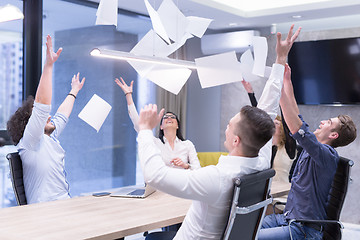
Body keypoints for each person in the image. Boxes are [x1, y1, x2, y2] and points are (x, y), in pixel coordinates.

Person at [136, 25, 301, 239]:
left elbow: (155, 175)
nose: (226, 127)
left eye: (229, 124)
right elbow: (268, 110)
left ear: (235, 140)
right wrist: (280, 60)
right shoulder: (260, 160)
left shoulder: (216, 178)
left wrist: (144, 130)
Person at [258, 64, 357, 239]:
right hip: (286, 219)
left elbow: (297, 127)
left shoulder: (327, 155)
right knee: (242, 226)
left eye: (328, 122)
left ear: (333, 134)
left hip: (303, 230)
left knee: (250, 236)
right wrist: (287, 81)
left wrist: (278, 86)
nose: (322, 122)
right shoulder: (312, 148)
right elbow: (296, 116)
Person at [6, 35, 85, 204]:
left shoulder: (49, 138)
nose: (49, 117)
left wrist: (74, 91)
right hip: (45, 213)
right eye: (41, 118)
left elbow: (62, 115)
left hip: (64, 204)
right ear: (31, 124)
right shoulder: (30, 141)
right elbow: (42, 107)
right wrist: (48, 66)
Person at [115, 78, 201, 170]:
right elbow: (139, 125)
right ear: (161, 126)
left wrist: (185, 165)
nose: (169, 118)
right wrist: (128, 95)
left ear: (177, 125)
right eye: (165, 117)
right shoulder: (155, 142)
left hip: (182, 183)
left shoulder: (187, 145)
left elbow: (198, 169)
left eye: (172, 117)